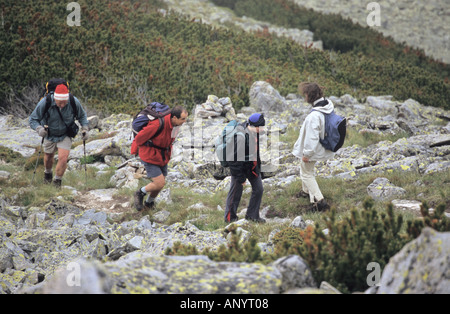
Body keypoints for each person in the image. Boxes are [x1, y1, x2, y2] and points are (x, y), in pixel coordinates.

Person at [29, 84, 89, 187]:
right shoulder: (45, 102)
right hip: (49, 134)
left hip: (65, 134)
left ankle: (57, 183)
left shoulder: (73, 101)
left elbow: (82, 116)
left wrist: (85, 129)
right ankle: (47, 174)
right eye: (59, 103)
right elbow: (33, 119)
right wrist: (39, 129)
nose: (62, 105)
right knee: (48, 157)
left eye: (64, 102)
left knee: (63, 158)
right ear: (55, 99)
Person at [132, 105, 188, 211]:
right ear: (174, 118)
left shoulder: (176, 125)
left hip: (162, 156)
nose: (184, 121)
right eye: (183, 119)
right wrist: (136, 150)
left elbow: (170, 139)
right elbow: (139, 139)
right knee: (159, 183)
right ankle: (140, 193)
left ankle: (149, 203)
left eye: (186, 119)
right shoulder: (157, 124)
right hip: (150, 155)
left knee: (160, 184)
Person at [292, 82, 334, 212]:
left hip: (314, 149)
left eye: (305, 94)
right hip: (322, 145)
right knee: (307, 170)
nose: (304, 97)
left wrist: (307, 154)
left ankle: (320, 202)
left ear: (309, 96)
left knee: (306, 174)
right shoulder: (327, 105)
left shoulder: (314, 116)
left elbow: (312, 138)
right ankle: (306, 192)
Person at [224, 113, 266, 223]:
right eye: (260, 127)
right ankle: (230, 219)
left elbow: (255, 151)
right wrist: (241, 178)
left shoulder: (253, 132)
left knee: (259, 189)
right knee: (235, 194)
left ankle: (252, 216)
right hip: (239, 168)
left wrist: (259, 168)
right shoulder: (240, 137)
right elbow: (233, 161)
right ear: (253, 126)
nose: (262, 130)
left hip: (251, 166)